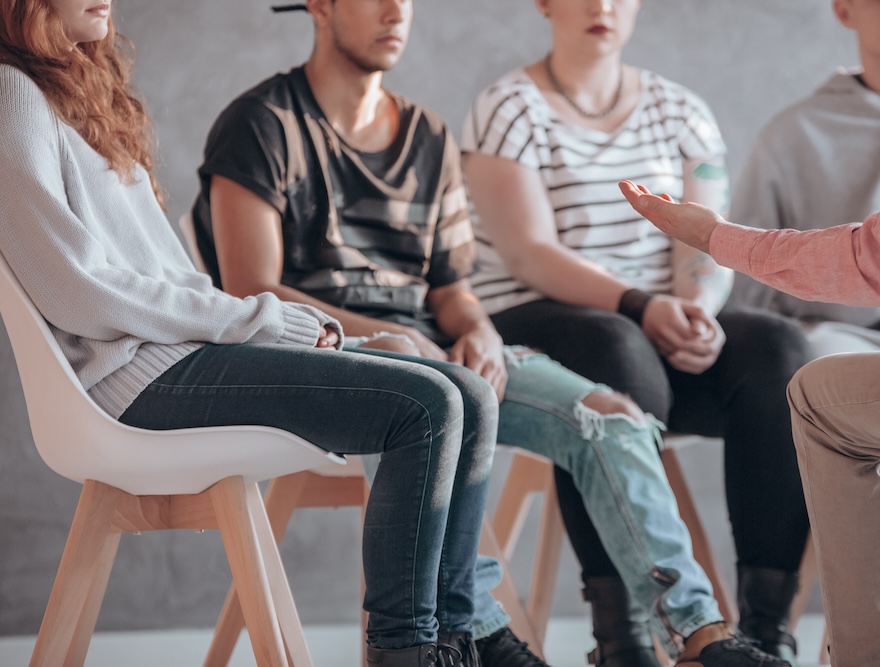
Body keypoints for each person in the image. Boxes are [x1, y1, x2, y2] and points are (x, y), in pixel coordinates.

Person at [189, 1, 792, 666]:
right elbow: (251, 288)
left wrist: (474, 326)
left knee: (610, 416)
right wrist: (388, 334)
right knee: (420, 401)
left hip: (431, 350)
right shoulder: (260, 124)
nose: (396, 11)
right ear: (322, 6)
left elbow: (448, 286)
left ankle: (699, 634)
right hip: (321, 352)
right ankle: (479, 631)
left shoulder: (427, 134)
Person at [0, 2, 504, 666]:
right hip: (136, 380)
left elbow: (174, 286)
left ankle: (455, 642)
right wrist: (273, 322)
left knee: (467, 389)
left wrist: (338, 341)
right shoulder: (14, 92)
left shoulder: (80, 92)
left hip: (183, 357)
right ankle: (406, 652)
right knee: (425, 405)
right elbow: (79, 288)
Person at [619, 6, 880, 665]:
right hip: (867, 340)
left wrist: (713, 235)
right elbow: (772, 305)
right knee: (807, 354)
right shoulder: (793, 133)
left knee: (820, 398)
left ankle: (877, 654)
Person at [461, 0, 811, 663]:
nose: (602, 6)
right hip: (539, 320)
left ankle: (763, 633)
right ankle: (624, 637)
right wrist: (641, 305)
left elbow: (705, 244)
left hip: (655, 325)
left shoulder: (680, 111)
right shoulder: (507, 108)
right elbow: (528, 252)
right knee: (615, 350)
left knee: (779, 348)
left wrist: (698, 308)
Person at [727, 0, 880, 652]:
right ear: (843, 11)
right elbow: (754, 297)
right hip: (840, 333)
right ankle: (805, 628)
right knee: (817, 375)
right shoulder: (792, 134)